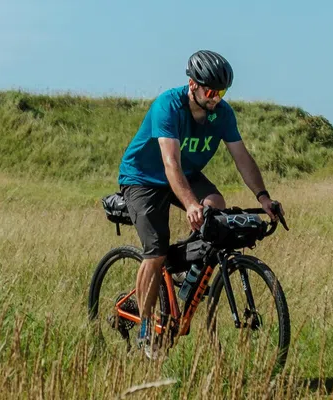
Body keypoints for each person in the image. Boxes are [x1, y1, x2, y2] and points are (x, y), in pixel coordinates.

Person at [117, 49, 283, 359]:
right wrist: (191, 204)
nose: (216, 97)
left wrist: (263, 197)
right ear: (192, 84)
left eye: (221, 91)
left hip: (187, 173)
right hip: (143, 178)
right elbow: (170, 163)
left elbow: (242, 157)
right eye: (210, 90)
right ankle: (145, 333)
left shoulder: (223, 114)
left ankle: (180, 269)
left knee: (217, 206)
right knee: (155, 249)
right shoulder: (168, 106)